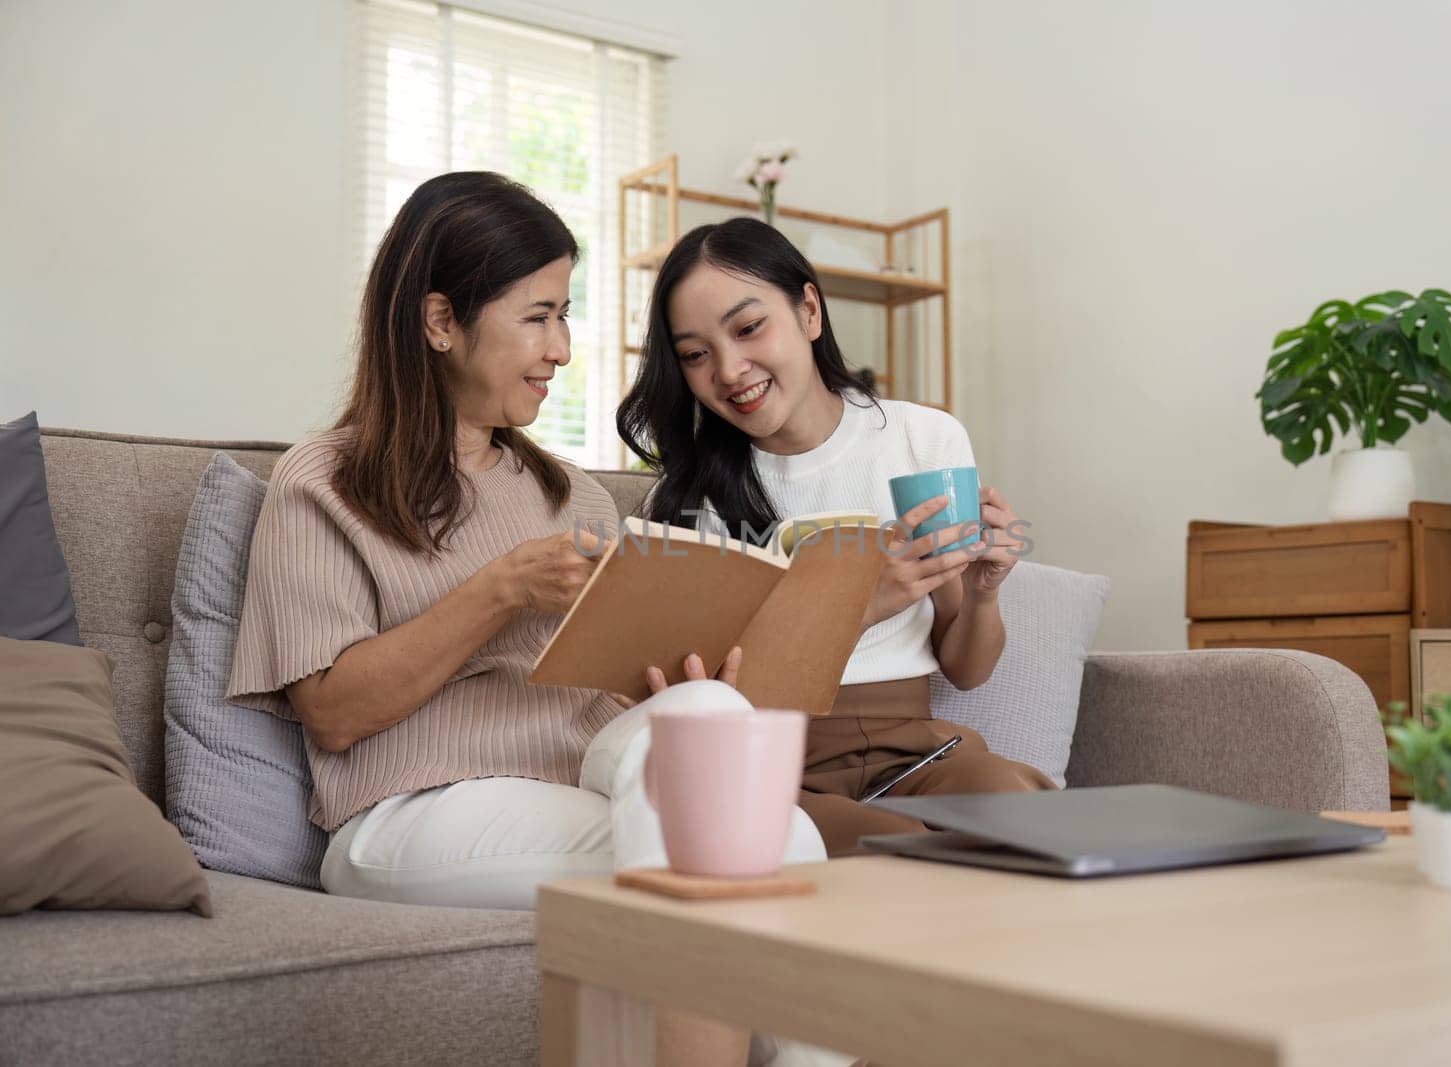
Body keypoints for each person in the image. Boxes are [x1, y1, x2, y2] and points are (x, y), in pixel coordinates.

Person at [226, 173, 825, 1067]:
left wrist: (675, 673)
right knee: (750, 851)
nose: (563, 348)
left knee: (730, 750)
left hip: (581, 779)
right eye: (538, 316)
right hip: (409, 813)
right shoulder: (326, 479)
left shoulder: (569, 492)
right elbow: (335, 711)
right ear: (439, 322)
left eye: (565, 314)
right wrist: (501, 589)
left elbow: (614, 703)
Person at [618, 217, 1055, 857]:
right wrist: (865, 599)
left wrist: (984, 594)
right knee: (891, 850)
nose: (730, 369)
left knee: (1017, 807)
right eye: (694, 354)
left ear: (809, 310)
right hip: (772, 758)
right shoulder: (687, 500)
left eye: (748, 328)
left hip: (913, 749)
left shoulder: (921, 441)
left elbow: (966, 669)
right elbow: (700, 695)